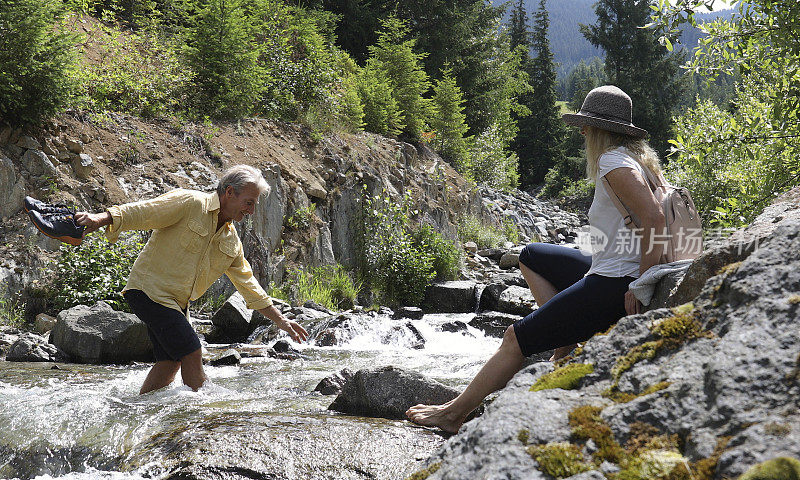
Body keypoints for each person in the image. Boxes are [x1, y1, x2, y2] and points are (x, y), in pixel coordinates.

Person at [406, 85, 667, 433]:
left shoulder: (612, 161)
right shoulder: (637, 159)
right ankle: (565, 347)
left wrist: (641, 284)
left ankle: (453, 415)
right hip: (608, 269)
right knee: (530, 255)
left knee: (516, 338)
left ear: (599, 129)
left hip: (617, 282)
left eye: (586, 125)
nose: (583, 131)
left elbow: (654, 221)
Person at [74, 165, 309, 394]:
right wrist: (100, 219)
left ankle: (139, 409)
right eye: (249, 202)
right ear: (229, 193)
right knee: (192, 352)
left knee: (171, 361)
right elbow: (145, 212)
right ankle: (202, 416)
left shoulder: (231, 241)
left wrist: (282, 320)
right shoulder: (190, 202)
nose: (251, 211)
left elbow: (248, 284)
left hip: (175, 305)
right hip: (149, 291)